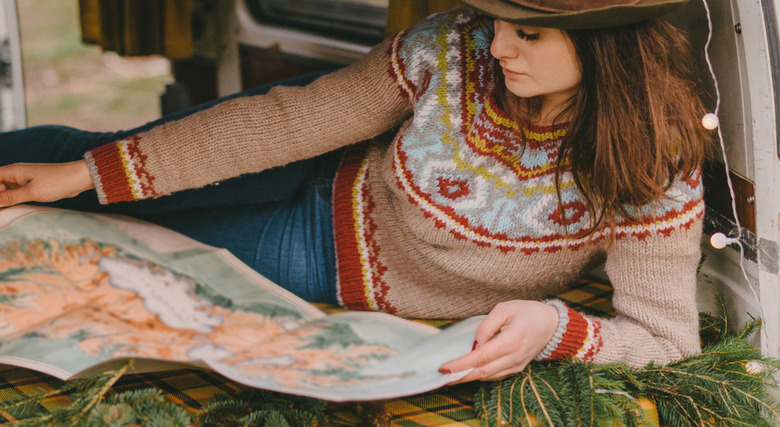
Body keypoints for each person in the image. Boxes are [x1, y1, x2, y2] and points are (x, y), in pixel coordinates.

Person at [0, 0, 709, 383]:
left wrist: (553, 330)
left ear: (611, 46)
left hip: (319, 258)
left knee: (105, 233)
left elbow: (664, 339)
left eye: (525, 32)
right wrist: (83, 177)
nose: (495, 47)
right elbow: (292, 120)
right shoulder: (449, 47)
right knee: (65, 164)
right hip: (314, 164)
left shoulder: (657, 160)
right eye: (494, 21)